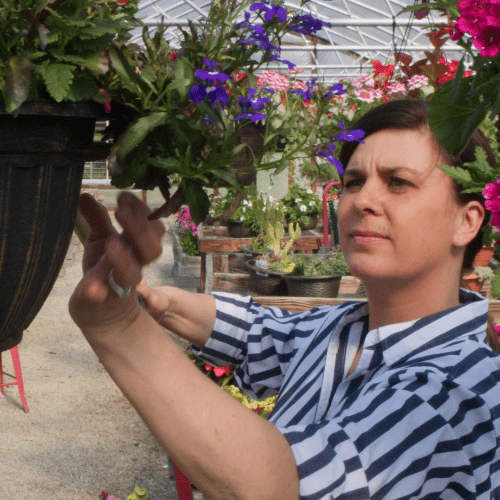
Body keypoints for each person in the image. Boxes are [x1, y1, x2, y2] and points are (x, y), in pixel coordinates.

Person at [70, 99, 500, 499]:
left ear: (466, 221)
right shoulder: (346, 330)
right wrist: (142, 292)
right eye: (353, 182)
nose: (362, 200)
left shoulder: (458, 389)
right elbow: (257, 330)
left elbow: (284, 485)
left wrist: (119, 326)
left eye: (399, 182)